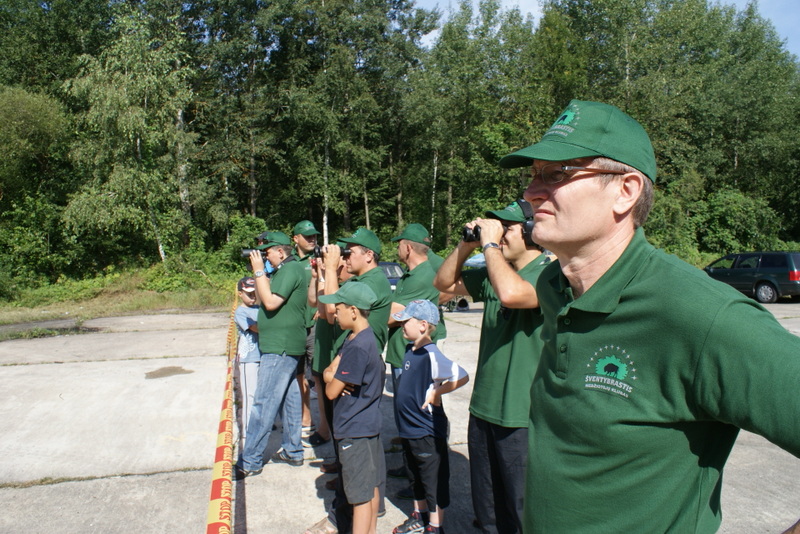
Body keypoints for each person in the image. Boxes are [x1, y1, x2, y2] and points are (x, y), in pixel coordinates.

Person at [499, 99, 800, 532]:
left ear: (626, 190)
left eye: (557, 174)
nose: (531, 192)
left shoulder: (698, 314)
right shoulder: (553, 286)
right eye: (533, 174)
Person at [434, 200, 549, 534]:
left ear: (531, 232)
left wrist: (489, 246)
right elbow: (443, 284)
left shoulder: (550, 273)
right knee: (487, 513)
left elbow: (513, 295)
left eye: (507, 228)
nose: (499, 234)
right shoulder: (494, 272)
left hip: (521, 417)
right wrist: (466, 243)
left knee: (520, 515)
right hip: (484, 410)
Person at [390, 300, 469, 534]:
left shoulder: (431, 354)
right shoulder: (410, 350)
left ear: (423, 325)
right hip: (408, 428)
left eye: (406, 321)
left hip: (425, 431)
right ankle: (420, 514)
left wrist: (437, 392)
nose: (402, 325)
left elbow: (461, 375)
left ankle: (435, 526)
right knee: (414, 475)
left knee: (432, 479)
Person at [236, 231, 309, 477]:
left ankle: (251, 460)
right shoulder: (281, 271)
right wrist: (261, 273)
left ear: (280, 251)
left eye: (267, 252)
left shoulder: (290, 269)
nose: (264, 257)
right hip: (282, 344)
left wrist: (259, 271)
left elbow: (270, 303)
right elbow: (261, 298)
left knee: (264, 401)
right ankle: (293, 450)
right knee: (290, 400)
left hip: (281, 346)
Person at [386, 223, 448, 494]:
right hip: (404, 354)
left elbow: (391, 316)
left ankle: (421, 482)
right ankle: (411, 467)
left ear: (408, 247)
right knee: (408, 415)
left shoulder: (421, 277)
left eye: (399, 244)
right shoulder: (411, 275)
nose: (397, 249)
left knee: (418, 417)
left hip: (411, 358)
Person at [319, 282, 385, 534]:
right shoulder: (358, 337)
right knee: (371, 487)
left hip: (354, 430)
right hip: (367, 425)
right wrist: (331, 375)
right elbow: (330, 372)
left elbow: (330, 391)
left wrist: (331, 377)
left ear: (354, 311)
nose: (334, 314)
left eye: (338, 309)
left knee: (360, 497)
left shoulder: (357, 347)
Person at [292, 219, 330, 448]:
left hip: (316, 325)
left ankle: (325, 424)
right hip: (295, 327)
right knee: (299, 376)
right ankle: (306, 417)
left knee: (319, 376)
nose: (312, 239)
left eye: (314, 235)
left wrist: (321, 307)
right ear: (295, 238)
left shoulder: (322, 258)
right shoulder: (287, 262)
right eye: (307, 236)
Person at [233, 276, 260, 453]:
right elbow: (255, 328)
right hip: (248, 358)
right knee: (249, 396)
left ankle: (257, 424)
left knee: (258, 394)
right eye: (249, 294)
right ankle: (247, 435)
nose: (252, 297)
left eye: (254, 293)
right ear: (240, 294)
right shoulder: (241, 312)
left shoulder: (259, 309)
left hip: (261, 356)